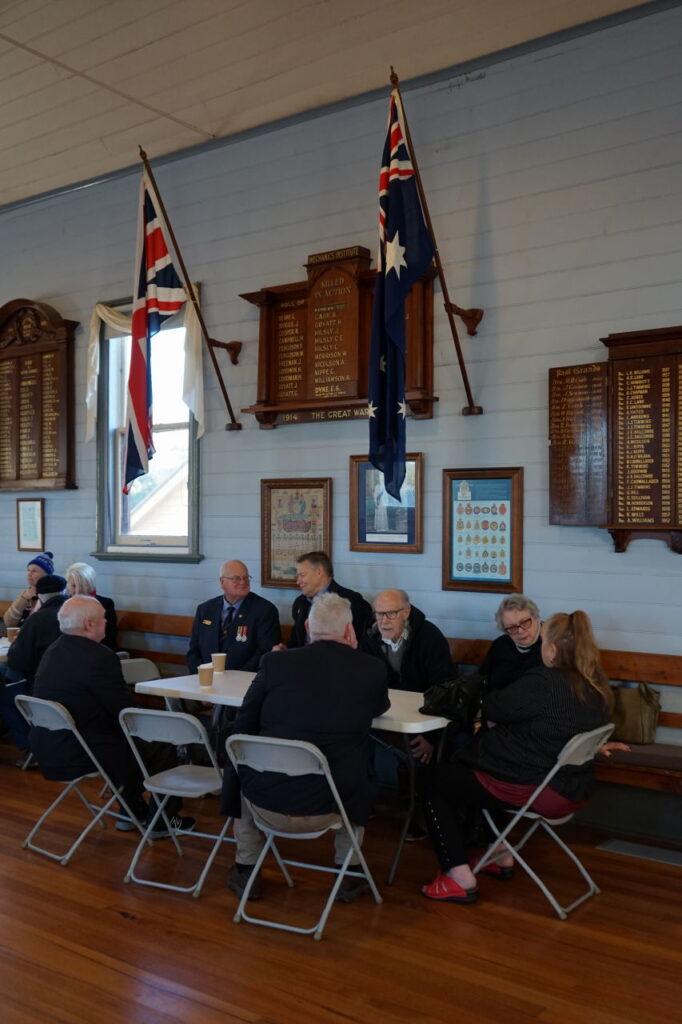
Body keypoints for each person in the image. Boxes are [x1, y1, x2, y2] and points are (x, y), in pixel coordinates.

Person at [420, 610, 614, 904]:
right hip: (574, 787)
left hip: (536, 786)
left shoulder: (545, 680)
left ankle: (457, 876)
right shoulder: (595, 685)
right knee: (475, 775)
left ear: (551, 648)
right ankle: (498, 852)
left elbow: (495, 706)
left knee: (436, 780)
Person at [221, 592, 389, 902]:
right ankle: (348, 871)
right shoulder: (371, 669)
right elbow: (378, 707)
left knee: (240, 755)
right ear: (350, 631)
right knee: (357, 762)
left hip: (264, 799)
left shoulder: (274, 663)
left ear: (309, 627)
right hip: (331, 803)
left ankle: (245, 867)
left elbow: (244, 722)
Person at [29, 596, 193, 835]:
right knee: (162, 744)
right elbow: (125, 713)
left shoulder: (53, 650)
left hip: (48, 746)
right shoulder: (99, 657)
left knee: (128, 743)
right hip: (81, 752)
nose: (106, 622)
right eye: (103, 618)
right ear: (89, 624)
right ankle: (163, 821)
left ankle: (131, 811)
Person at [361, 588, 453, 766]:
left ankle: (410, 793)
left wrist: (431, 738)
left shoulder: (429, 637)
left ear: (406, 613)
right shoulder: (369, 638)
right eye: (379, 614)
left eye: (391, 613)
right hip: (383, 717)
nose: (384, 621)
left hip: (423, 719)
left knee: (416, 755)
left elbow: (445, 688)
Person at [1, 574, 69, 759]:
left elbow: (19, 661)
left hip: (41, 682)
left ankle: (30, 745)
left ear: (40, 596)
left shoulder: (38, 619)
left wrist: (17, 644)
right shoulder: (75, 613)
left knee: (5, 693)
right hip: (72, 681)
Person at [187, 560, 281, 673]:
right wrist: (201, 674)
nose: (243, 582)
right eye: (236, 578)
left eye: (246, 577)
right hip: (206, 679)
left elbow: (265, 652)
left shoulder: (264, 610)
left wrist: (236, 677)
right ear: (222, 582)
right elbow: (194, 650)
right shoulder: (205, 610)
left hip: (244, 680)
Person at [285, 551, 372, 649]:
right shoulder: (300, 603)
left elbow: (362, 644)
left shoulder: (351, 601)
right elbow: (295, 643)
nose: (298, 581)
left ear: (319, 572)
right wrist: (284, 651)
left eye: (302, 575)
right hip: (303, 661)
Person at [479, 594, 543, 692]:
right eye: (512, 627)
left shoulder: (549, 646)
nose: (520, 631)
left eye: (525, 622)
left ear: (535, 617)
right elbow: (482, 677)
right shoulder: (500, 645)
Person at [65, 562, 117, 650]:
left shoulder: (105, 604)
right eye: (74, 586)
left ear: (90, 585)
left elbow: (108, 638)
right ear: (68, 586)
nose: (77, 590)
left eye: (81, 586)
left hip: (98, 652)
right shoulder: (64, 605)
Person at [3, 551, 55, 629]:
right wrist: (24, 598)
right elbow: (8, 622)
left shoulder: (53, 595)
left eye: (34, 571)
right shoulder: (25, 594)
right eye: (28, 570)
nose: (29, 574)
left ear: (46, 575)